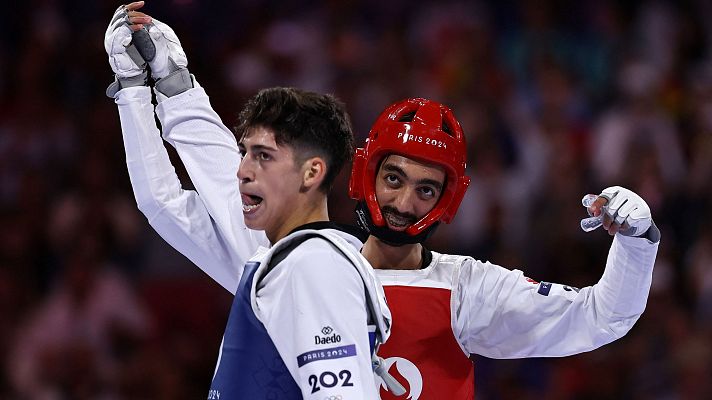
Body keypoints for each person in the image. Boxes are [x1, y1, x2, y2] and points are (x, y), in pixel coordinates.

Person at [108, 3, 660, 399]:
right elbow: (176, 196)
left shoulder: (466, 291)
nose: (404, 201)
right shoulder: (290, 266)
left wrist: (637, 243)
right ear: (365, 175)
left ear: (448, 201)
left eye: (427, 189)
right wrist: (157, 88)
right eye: (394, 178)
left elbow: (601, 318)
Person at [104, 3, 393, 399]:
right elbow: (163, 203)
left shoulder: (317, 268)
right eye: (246, 153)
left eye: (263, 156)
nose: (242, 170)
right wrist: (144, 87)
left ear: (311, 173)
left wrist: (166, 87)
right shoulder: (271, 259)